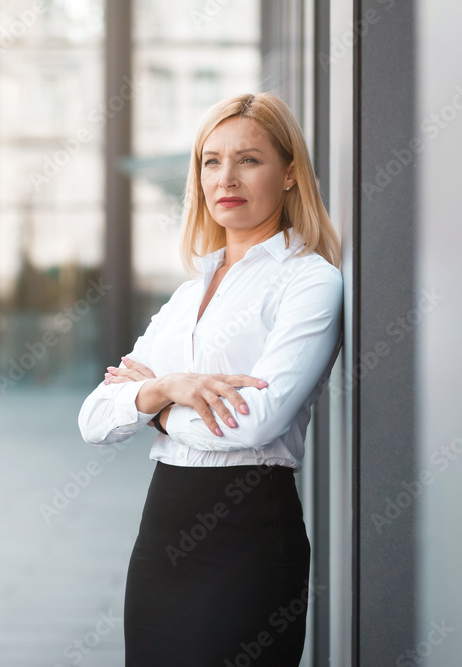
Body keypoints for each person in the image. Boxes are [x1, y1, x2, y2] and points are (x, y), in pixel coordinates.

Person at [77, 91, 343, 666]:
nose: (227, 178)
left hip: (248, 533)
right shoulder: (185, 295)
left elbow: (256, 423)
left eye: (249, 159)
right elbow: (94, 418)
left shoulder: (309, 282)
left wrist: (156, 408)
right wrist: (166, 388)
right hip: (162, 533)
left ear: (289, 173)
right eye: (211, 161)